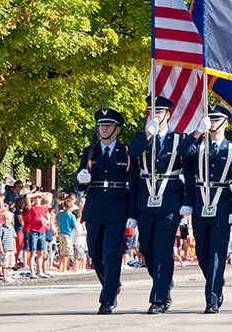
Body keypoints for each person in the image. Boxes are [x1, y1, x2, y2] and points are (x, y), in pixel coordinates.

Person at [177, 104, 232, 313]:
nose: (213, 123)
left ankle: (212, 299)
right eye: (210, 120)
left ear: (226, 123)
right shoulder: (198, 145)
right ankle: (216, 281)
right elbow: (182, 152)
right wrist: (197, 132)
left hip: (223, 203)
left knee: (216, 254)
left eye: (216, 120)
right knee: (202, 252)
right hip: (200, 202)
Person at [128, 95, 187, 314]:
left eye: (159, 112)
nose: (155, 116)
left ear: (168, 115)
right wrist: (147, 134)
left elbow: (189, 169)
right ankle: (165, 282)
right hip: (145, 202)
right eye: (152, 112)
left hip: (170, 201)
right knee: (146, 249)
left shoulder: (178, 139)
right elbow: (132, 156)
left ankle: (159, 298)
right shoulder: (141, 138)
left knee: (163, 249)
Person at [74, 107, 131, 313]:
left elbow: (132, 181)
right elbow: (79, 182)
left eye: (108, 125)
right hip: (95, 207)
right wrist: (80, 181)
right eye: (101, 125)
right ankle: (112, 284)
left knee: (111, 254)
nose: (104, 128)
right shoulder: (90, 152)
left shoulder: (125, 151)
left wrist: (132, 213)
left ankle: (106, 300)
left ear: (117, 129)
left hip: (117, 207)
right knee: (96, 255)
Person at [25, 192, 51, 278]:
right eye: (36, 198)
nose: (37, 199)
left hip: (42, 231)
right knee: (33, 252)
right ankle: (32, 272)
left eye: (39, 198)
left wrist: (46, 221)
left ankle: (39, 271)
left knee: (41, 252)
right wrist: (37, 194)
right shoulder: (32, 208)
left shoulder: (45, 209)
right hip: (33, 231)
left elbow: (48, 220)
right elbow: (28, 197)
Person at [57, 198, 75, 273]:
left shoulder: (61, 214)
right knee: (67, 253)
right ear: (71, 207)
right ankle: (64, 268)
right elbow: (74, 225)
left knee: (62, 252)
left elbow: (58, 222)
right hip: (68, 234)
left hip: (61, 233)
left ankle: (60, 268)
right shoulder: (71, 216)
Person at [0, 211, 17, 283]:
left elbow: (13, 238)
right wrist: (1, 247)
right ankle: (4, 276)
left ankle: (8, 275)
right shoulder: (1, 228)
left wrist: (15, 247)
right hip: (5, 248)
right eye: (4, 219)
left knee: (10, 263)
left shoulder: (12, 228)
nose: (6, 220)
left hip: (11, 248)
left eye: (8, 219)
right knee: (4, 263)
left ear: (11, 220)